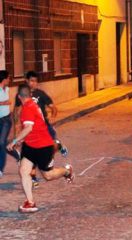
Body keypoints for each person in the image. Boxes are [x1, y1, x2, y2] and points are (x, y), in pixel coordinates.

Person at [7, 84, 74, 213]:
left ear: (19, 97)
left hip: (43, 146)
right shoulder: (31, 104)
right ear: (29, 95)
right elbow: (32, 127)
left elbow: (28, 128)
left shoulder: (28, 108)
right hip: (30, 146)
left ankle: (67, 171)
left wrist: (14, 141)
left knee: (48, 175)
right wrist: (22, 139)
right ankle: (30, 202)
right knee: (23, 171)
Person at [14, 71, 68, 187]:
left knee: (48, 148)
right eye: (31, 81)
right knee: (31, 152)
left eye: (35, 81)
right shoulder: (22, 95)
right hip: (30, 129)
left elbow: (53, 107)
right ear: (26, 81)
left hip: (44, 127)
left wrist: (52, 118)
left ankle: (58, 146)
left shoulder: (41, 94)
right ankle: (32, 176)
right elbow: (17, 112)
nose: (33, 83)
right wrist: (17, 128)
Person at [0, 70, 11, 177]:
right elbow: (6, 102)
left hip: (6, 120)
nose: (9, 80)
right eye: (8, 78)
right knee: (4, 143)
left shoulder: (7, 89)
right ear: (4, 79)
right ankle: (17, 155)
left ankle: (1, 169)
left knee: (1, 143)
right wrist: (3, 103)